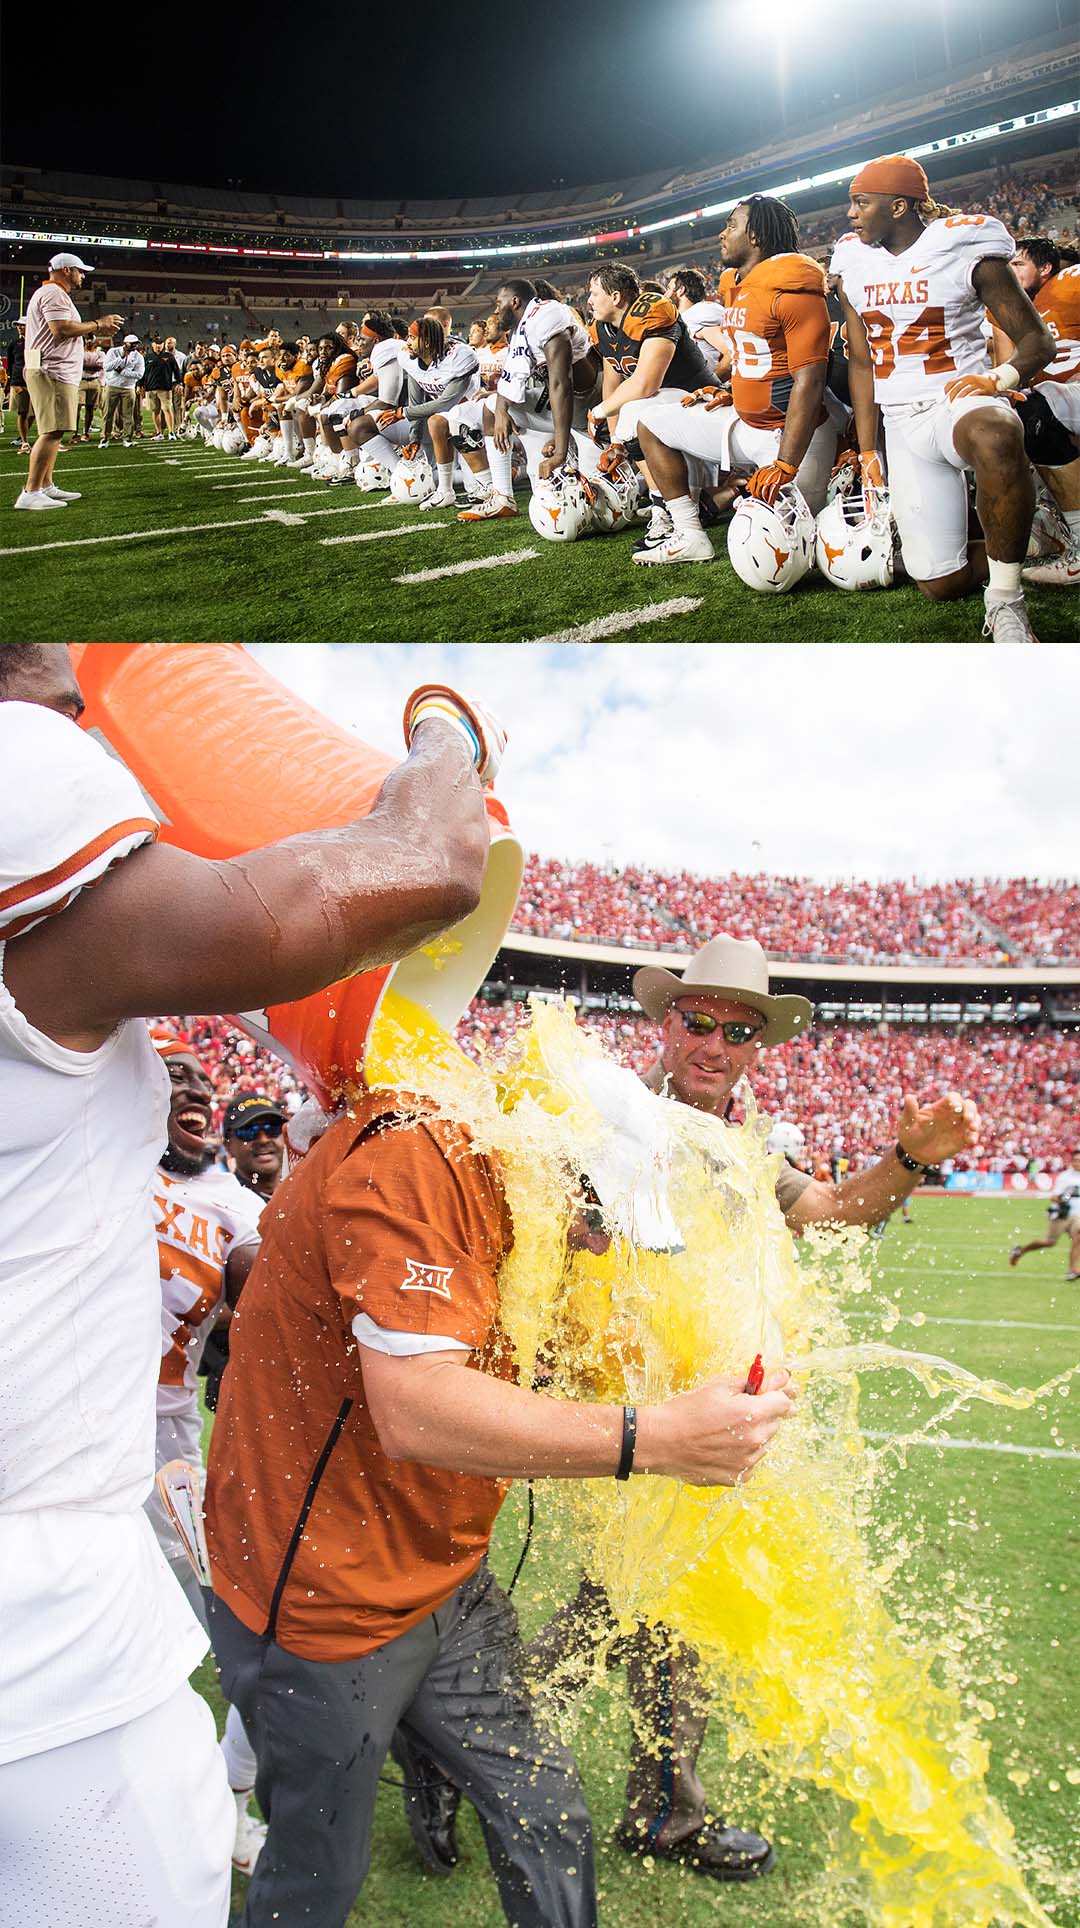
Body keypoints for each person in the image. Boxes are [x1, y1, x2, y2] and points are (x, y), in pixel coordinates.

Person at [0, 644, 504, 1928]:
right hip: (37, 1616)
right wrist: (448, 739)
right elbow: (428, 870)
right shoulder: (23, 763)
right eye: (78, 711)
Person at [412, 935, 981, 1888]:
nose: (716, 1042)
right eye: (699, 1021)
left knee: (664, 1617)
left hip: (716, 1421)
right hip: (631, 1422)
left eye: (739, 1030)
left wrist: (908, 1159)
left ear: (759, 1048)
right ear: (664, 1023)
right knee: (625, 1612)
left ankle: (644, 1806)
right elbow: (537, 1242)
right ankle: (472, 1754)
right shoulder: (601, 1117)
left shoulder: (750, 1149)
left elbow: (837, 1209)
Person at [203, 1054, 796, 1928]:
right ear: (551, 1161)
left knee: (548, 1810)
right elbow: (415, 1408)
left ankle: (425, 1762)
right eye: (594, 1211)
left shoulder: (514, 1186)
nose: (598, 1240)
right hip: (327, 1591)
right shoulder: (419, 1156)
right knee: (318, 1878)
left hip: (446, 1573)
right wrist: (659, 1436)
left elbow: (518, 1368)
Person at [830, 154, 1056, 643]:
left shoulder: (965, 248)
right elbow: (863, 362)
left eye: (861, 202)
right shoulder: (854, 260)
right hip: (900, 422)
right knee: (940, 582)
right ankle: (1028, 531)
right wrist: (869, 449)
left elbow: (1038, 341)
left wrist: (998, 380)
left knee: (995, 436)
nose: (850, 214)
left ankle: (1006, 602)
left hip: (956, 403)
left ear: (898, 207)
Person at [144, 1032, 269, 1878]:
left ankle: (221, 1801)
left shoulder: (239, 1208)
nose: (196, 1088)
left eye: (202, 1079)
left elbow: (266, 1288)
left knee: (222, 1639)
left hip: (163, 1448)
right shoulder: (92, 1159)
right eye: (172, 1075)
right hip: (46, 1428)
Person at [632, 196, 835, 565]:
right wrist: (732, 389)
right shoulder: (739, 284)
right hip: (748, 424)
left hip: (792, 438)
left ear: (754, 235)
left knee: (782, 560)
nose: (722, 234)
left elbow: (810, 381)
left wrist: (786, 463)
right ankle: (689, 534)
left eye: (731, 225)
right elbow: (756, 356)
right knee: (650, 422)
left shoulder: (792, 287)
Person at [457, 277, 602, 523]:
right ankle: (502, 496)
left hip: (590, 410)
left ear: (515, 301)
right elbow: (510, 378)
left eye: (498, 302)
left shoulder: (547, 315)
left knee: (602, 510)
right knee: (489, 408)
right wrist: (502, 410)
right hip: (563, 408)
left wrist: (559, 450)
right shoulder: (523, 327)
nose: (494, 309)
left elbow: (561, 384)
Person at [995, 237, 1080, 587]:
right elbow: (1007, 372)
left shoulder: (1070, 281)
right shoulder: (1014, 308)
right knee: (1022, 411)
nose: (1010, 272)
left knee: (1033, 409)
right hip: (1061, 402)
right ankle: (1053, 522)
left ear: (1045, 268)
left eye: (1018, 264)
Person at [14, 252, 123, 510]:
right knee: (51, 432)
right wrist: (98, 324)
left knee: (54, 430)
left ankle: (44, 485)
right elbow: (60, 329)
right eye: (80, 271)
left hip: (50, 369)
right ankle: (31, 491)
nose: (82, 276)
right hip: (53, 371)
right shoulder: (54, 294)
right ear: (66, 270)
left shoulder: (51, 293)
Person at [1010, 1149, 1080, 1280]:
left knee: (1079, 1237)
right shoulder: (1065, 1177)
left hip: (1077, 1216)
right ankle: (1020, 1250)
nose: (1078, 1163)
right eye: (1075, 1160)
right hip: (1062, 1214)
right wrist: (1065, 1197)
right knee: (1049, 1242)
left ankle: (1073, 1269)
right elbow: (1053, 1197)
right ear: (1071, 1161)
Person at [100, 333, 146, 446]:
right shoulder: (113, 352)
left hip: (128, 388)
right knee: (108, 413)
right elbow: (107, 367)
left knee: (128, 414)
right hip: (112, 385)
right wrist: (121, 358)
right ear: (125, 344)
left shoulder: (138, 356)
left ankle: (127, 438)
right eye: (132, 344)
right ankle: (105, 438)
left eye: (136, 344)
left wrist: (122, 371)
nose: (134, 346)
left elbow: (139, 374)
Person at [144, 334, 184, 439]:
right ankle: (159, 433)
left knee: (167, 409)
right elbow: (143, 373)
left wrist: (179, 383)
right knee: (155, 411)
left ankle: (171, 433)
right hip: (151, 388)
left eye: (160, 344)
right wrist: (140, 385)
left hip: (165, 388)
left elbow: (176, 371)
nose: (158, 346)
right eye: (156, 344)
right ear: (152, 345)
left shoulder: (169, 356)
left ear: (163, 345)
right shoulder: (147, 357)